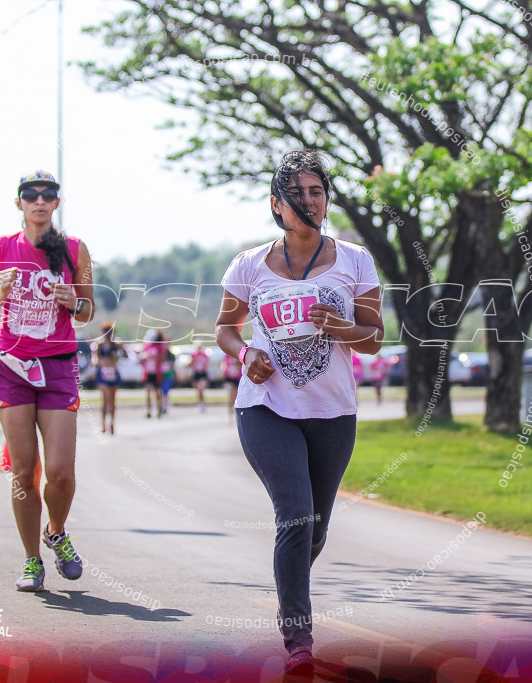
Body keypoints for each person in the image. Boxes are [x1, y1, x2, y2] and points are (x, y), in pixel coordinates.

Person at [215, 150, 384, 673]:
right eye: (297, 194)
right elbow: (224, 329)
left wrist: (339, 326)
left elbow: (375, 340)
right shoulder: (248, 265)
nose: (308, 201)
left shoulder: (356, 260)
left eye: (316, 191)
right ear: (276, 205)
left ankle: (289, 577)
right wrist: (247, 355)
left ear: (326, 199)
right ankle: (299, 642)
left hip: (332, 411)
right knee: (295, 514)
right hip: (265, 407)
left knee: (314, 531)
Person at [0, 171, 94, 592]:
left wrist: (73, 301)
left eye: (48, 195)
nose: (39, 200)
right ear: (19, 203)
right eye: (30, 194)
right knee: (24, 472)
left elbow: (88, 311)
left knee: (59, 472)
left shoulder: (75, 249)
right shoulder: (1, 247)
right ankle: (30, 560)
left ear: (57, 203)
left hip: (58, 368)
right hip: (11, 368)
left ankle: (56, 532)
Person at [93, 322, 126, 435]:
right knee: (105, 399)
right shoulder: (99, 344)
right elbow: (94, 358)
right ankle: (103, 424)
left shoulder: (117, 343)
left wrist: (119, 351)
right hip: (103, 373)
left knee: (112, 400)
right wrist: (96, 363)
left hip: (113, 373)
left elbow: (125, 355)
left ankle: (112, 424)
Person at [140, 329, 164, 418]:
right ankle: (149, 410)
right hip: (148, 372)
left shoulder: (159, 347)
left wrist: (154, 357)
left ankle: (159, 409)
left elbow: (162, 358)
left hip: (156, 373)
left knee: (157, 392)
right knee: (148, 392)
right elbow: (142, 357)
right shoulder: (146, 346)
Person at [220, 350, 242, 425]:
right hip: (229, 377)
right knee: (231, 396)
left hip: (238, 377)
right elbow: (224, 365)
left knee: (236, 397)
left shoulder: (238, 354)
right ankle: (230, 417)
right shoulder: (227, 356)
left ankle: (236, 415)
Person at [190, 343, 210, 412]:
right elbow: (191, 364)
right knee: (198, 390)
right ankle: (200, 403)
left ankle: (203, 403)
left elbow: (206, 364)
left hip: (202, 373)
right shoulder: (193, 355)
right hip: (196, 373)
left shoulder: (204, 356)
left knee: (201, 389)